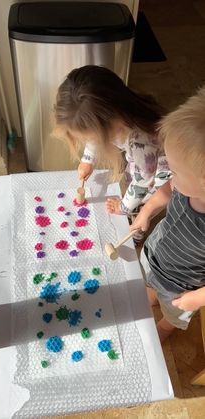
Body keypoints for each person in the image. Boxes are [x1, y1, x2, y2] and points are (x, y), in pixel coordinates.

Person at [54, 65, 171, 244]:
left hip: (160, 176)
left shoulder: (141, 143)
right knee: (132, 188)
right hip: (143, 167)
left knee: (141, 206)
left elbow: (142, 184)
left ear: (108, 128)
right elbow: (94, 136)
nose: (91, 142)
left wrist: (123, 207)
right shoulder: (117, 110)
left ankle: (135, 235)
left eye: (92, 138)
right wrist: (88, 160)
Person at [130, 85, 205, 342]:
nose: (170, 174)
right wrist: (147, 211)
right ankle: (150, 295)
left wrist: (197, 298)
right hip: (155, 253)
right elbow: (167, 189)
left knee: (173, 312)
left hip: (181, 286)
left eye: (175, 170)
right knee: (149, 284)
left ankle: (166, 325)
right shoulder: (188, 184)